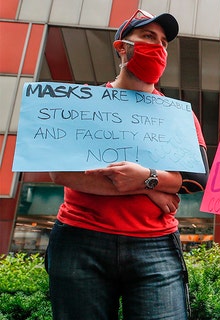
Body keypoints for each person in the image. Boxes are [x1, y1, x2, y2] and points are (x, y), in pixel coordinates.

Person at [46, 9, 209, 320]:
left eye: (163, 42)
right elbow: (63, 172)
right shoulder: (83, 105)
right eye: (148, 37)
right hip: (80, 240)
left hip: (156, 247)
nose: (158, 47)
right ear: (121, 47)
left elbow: (196, 177)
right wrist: (153, 188)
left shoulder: (179, 114)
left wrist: (144, 178)